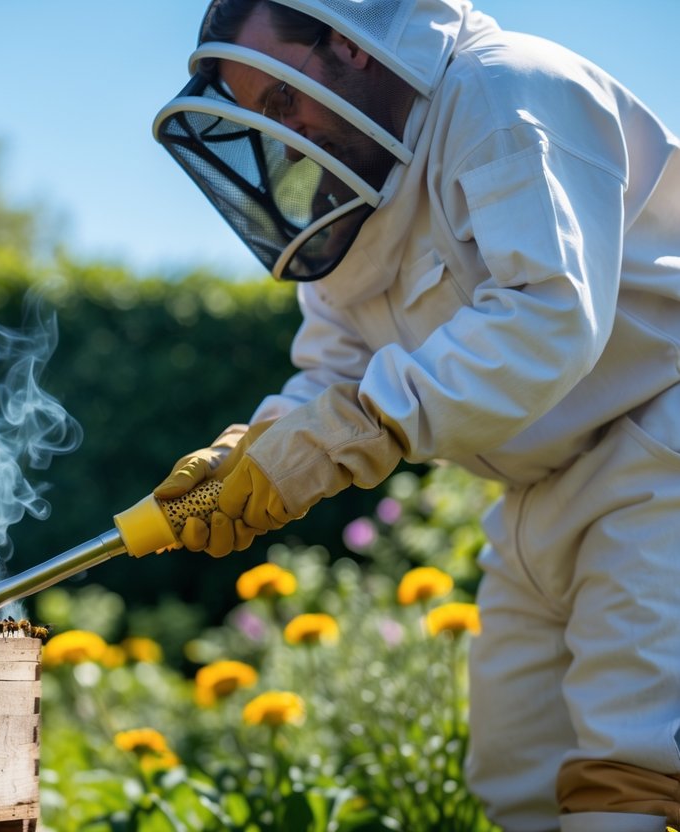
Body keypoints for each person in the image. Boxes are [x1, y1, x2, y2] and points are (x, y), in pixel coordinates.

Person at [149, 1, 680, 830]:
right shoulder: (356, 190)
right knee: (515, 772)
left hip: (660, 446)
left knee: (631, 770)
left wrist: (351, 433)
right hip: (537, 496)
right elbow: (331, 370)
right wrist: (248, 453)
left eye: (282, 101)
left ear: (350, 46)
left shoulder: (502, 92)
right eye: (260, 117)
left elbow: (546, 315)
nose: (281, 136)